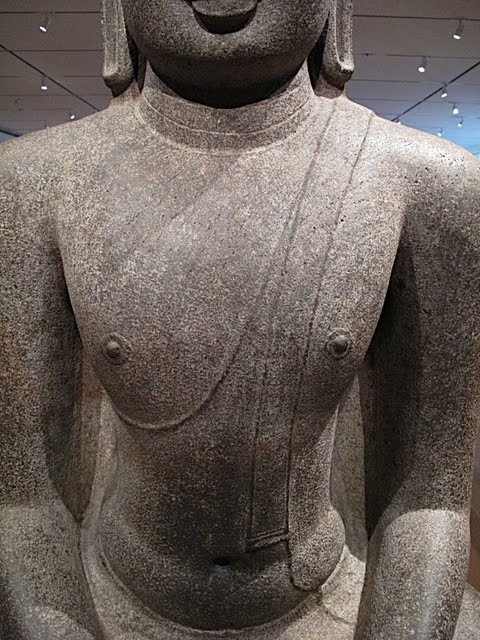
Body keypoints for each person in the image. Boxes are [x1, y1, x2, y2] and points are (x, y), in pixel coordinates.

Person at [0, 1, 479, 638]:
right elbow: (25, 499)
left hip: (329, 598)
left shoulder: (428, 184)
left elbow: (428, 499)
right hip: (106, 595)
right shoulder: (35, 183)